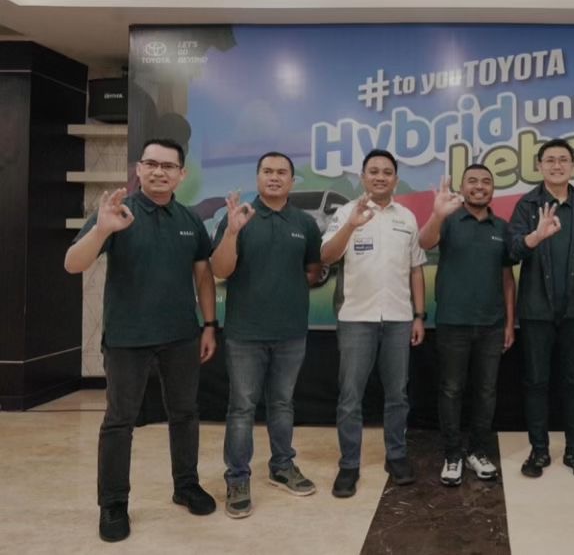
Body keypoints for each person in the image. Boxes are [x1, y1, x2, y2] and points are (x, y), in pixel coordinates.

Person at [65, 138, 217, 542]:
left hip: (181, 336)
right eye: (152, 164)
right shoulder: (118, 212)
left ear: (181, 174)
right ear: (139, 168)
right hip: (127, 338)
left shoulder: (190, 219)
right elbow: (72, 263)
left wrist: (209, 325)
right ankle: (113, 503)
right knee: (120, 421)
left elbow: (203, 275)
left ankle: (186, 485)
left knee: (184, 414)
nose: (159, 172)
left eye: (168, 166)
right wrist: (101, 230)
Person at [210, 152, 323, 518]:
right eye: (268, 171)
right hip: (245, 333)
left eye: (282, 172)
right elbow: (220, 269)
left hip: (291, 333)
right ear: (257, 177)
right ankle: (237, 477)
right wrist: (232, 232)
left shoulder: (305, 223)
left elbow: (313, 269)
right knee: (242, 407)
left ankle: (282, 466)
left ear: (292, 180)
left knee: (283, 403)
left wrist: (286, 289)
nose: (274, 177)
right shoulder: (240, 217)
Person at [320, 149, 427, 497]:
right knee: (350, 397)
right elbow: (326, 256)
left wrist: (419, 316)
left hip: (398, 319)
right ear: (363, 176)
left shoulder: (407, 217)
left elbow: (416, 270)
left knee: (397, 395)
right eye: (374, 171)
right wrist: (351, 225)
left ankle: (396, 456)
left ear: (395, 179)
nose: (380, 177)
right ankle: (349, 464)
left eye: (387, 172)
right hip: (356, 319)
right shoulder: (345, 212)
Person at [508, 138, 574, 480]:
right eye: (550, 160)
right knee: (536, 381)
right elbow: (512, 250)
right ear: (539, 166)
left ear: (573, 166)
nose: (557, 165)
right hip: (537, 308)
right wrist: (535, 236)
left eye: (563, 159)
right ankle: (539, 449)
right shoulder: (527, 205)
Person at [418, 164, 516, 486]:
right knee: (451, 389)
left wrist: (509, 322)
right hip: (453, 323)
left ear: (492, 189)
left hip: (492, 325)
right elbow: (424, 242)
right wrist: (437, 214)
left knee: (486, 392)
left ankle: (478, 452)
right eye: (472, 181)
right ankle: (452, 454)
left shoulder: (502, 227)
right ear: (462, 188)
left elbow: (507, 279)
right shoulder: (448, 220)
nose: (479, 186)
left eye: (486, 182)